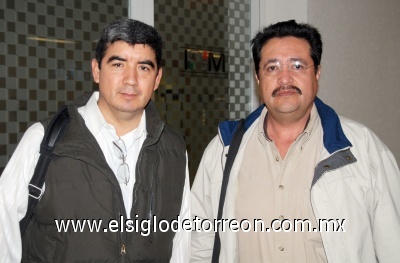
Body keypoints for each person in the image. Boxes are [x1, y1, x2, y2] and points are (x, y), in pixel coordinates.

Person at [191, 20, 400, 262]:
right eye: (272, 68)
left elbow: (393, 245)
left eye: (297, 66)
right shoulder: (223, 150)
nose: (284, 79)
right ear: (258, 78)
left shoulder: (362, 149)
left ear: (317, 72)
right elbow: (200, 244)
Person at [0, 18, 190, 262]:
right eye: (118, 64)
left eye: (144, 67)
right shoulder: (44, 140)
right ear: (96, 70)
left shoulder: (173, 148)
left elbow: (181, 241)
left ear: (157, 78)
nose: (131, 79)